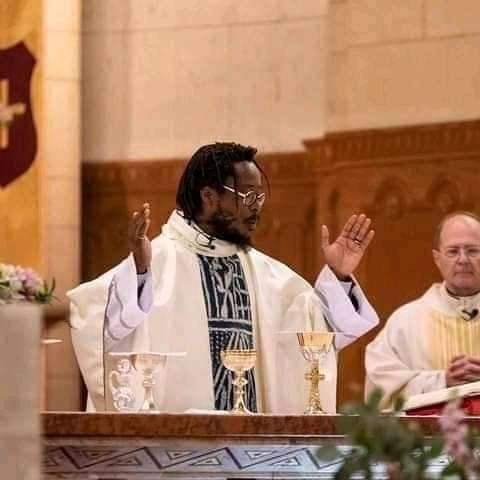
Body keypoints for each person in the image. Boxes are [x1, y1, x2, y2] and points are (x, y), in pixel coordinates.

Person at [69, 142, 379, 413]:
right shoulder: (155, 263)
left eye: (260, 197)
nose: (256, 208)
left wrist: (339, 275)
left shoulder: (269, 275)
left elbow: (319, 340)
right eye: (247, 196)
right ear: (209, 196)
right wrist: (137, 274)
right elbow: (93, 323)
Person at [365, 211, 480, 409]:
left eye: (472, 250)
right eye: (453, 251)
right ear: (437, 258)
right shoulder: (406, 322)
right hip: (426, 438)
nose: (463, 259)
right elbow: (379, 386)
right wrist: (443, 381)